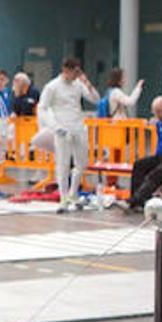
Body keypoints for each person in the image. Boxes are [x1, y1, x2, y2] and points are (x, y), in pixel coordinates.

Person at [38, 56, 101, 212]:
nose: (76, 75)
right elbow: (42, 108)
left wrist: (87, 83)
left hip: (78, 127)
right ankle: (63, 197)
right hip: (62, 129)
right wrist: (54, 126)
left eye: (78, 72)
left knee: (82, 163)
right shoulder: (52, 86)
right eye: (75, 72)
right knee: (63, 164)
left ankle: (73, 193)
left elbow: (96, 99)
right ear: (66, 70)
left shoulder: (78, 84)